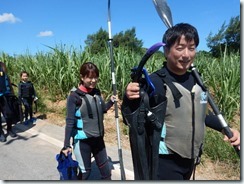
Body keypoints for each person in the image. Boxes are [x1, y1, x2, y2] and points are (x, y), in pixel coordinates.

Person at [122, 23, 240, 180]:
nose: (186, 55)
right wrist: (128, 97)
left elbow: (202, 114)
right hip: (164, 162)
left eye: (191, 48)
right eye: (180, 48)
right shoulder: (155, 83)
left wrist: (226, 128)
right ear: (166, 51)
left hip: (191, 160)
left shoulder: (198, 82)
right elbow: (130, 118)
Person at [61, 62, 116, 180]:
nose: (93, 80)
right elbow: (69, 121)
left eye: (96, 77)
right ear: (82, 77)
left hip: (98, 140)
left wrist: (111, 102)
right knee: (85, 174)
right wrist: (66, 145)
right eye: (90, 77)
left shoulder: (97, 92)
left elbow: (102, 110)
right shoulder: (74, 96)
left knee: (107, 174)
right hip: (82, 142)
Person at [0, 61, 17, 142]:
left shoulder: (2, 64)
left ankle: (9, 129)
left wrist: (12, 92)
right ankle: (0, 133)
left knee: (9, 114)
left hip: (6, 94)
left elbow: (7, 78)